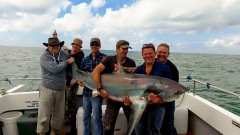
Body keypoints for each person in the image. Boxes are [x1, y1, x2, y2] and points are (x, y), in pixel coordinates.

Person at [92, 40, 136, 135]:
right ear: (117, 49)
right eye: (123, 49)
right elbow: (95, 72)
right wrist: (100, 89)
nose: (125, 51)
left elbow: (132, 82)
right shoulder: (109, 60)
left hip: (126, 99)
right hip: (112, 99)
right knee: (107, 128)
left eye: (127, 49)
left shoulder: (131, 62)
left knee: (133, 126)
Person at [37, 37, 75, 135]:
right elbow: (55, 69)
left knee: (59, 114)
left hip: (61, 89)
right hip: (47, 89)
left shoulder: (64, 54)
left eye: (56, 45)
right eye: (52, 45)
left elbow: (72, 59)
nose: (54, 47)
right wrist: (67, 62)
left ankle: (53, 131)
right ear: (48, 47)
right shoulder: (44, 57)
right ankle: (41, 132)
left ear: (60, 46)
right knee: (44, 115)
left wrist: (72, 51)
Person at [134, 43, 172, 135]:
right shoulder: (138, 70)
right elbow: (135, 89)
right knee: (139, 129)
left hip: (158, 105)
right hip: (142, 104)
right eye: (145, 54)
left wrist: (159, 100)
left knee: (154, 130)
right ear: (142, 55)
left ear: (155, 54)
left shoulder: (164, 68)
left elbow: (170, 88)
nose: (148, 56)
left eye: (150, 53)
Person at [80, 37, 107, 135]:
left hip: (98, 92)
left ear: (99, 46)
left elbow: (110, 73)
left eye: (96, 45)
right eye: (92, 44)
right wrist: (79, 81)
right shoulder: (85, 59)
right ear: (90, 46)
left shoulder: (105, 58)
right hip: (86, 92)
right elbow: (81, 74)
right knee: (85, 116)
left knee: (96, 117)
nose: (94, 46)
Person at [157, 43, 179, 135]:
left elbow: (175, 88)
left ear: (168, 54)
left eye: (164, 52)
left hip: (168, 101)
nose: (162, 54)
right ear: (156, 52)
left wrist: (162, 99)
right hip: (152, 99)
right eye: (160, 52)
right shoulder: (150, 63)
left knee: (168, 125)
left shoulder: (173, 69)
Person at [65, 38, 84, 135]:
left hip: (73, 83)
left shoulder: (80, 55)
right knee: (64, 105)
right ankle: (66, 124)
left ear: (80, 47)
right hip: (64, 82)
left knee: (71, 106)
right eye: (74, 44)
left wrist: (66, 51)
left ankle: (73, 129)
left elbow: (70, 59)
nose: (75, 46)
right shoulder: (68, 51)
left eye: (77, 45)